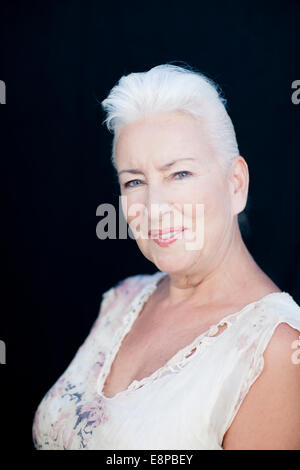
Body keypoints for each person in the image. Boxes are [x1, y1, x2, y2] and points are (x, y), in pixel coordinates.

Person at [32, 63, 300, 450]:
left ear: (235, 184)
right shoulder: (123, 300)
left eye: (180, 175)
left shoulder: (276, 351)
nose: (155, 207)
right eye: (135, 181)